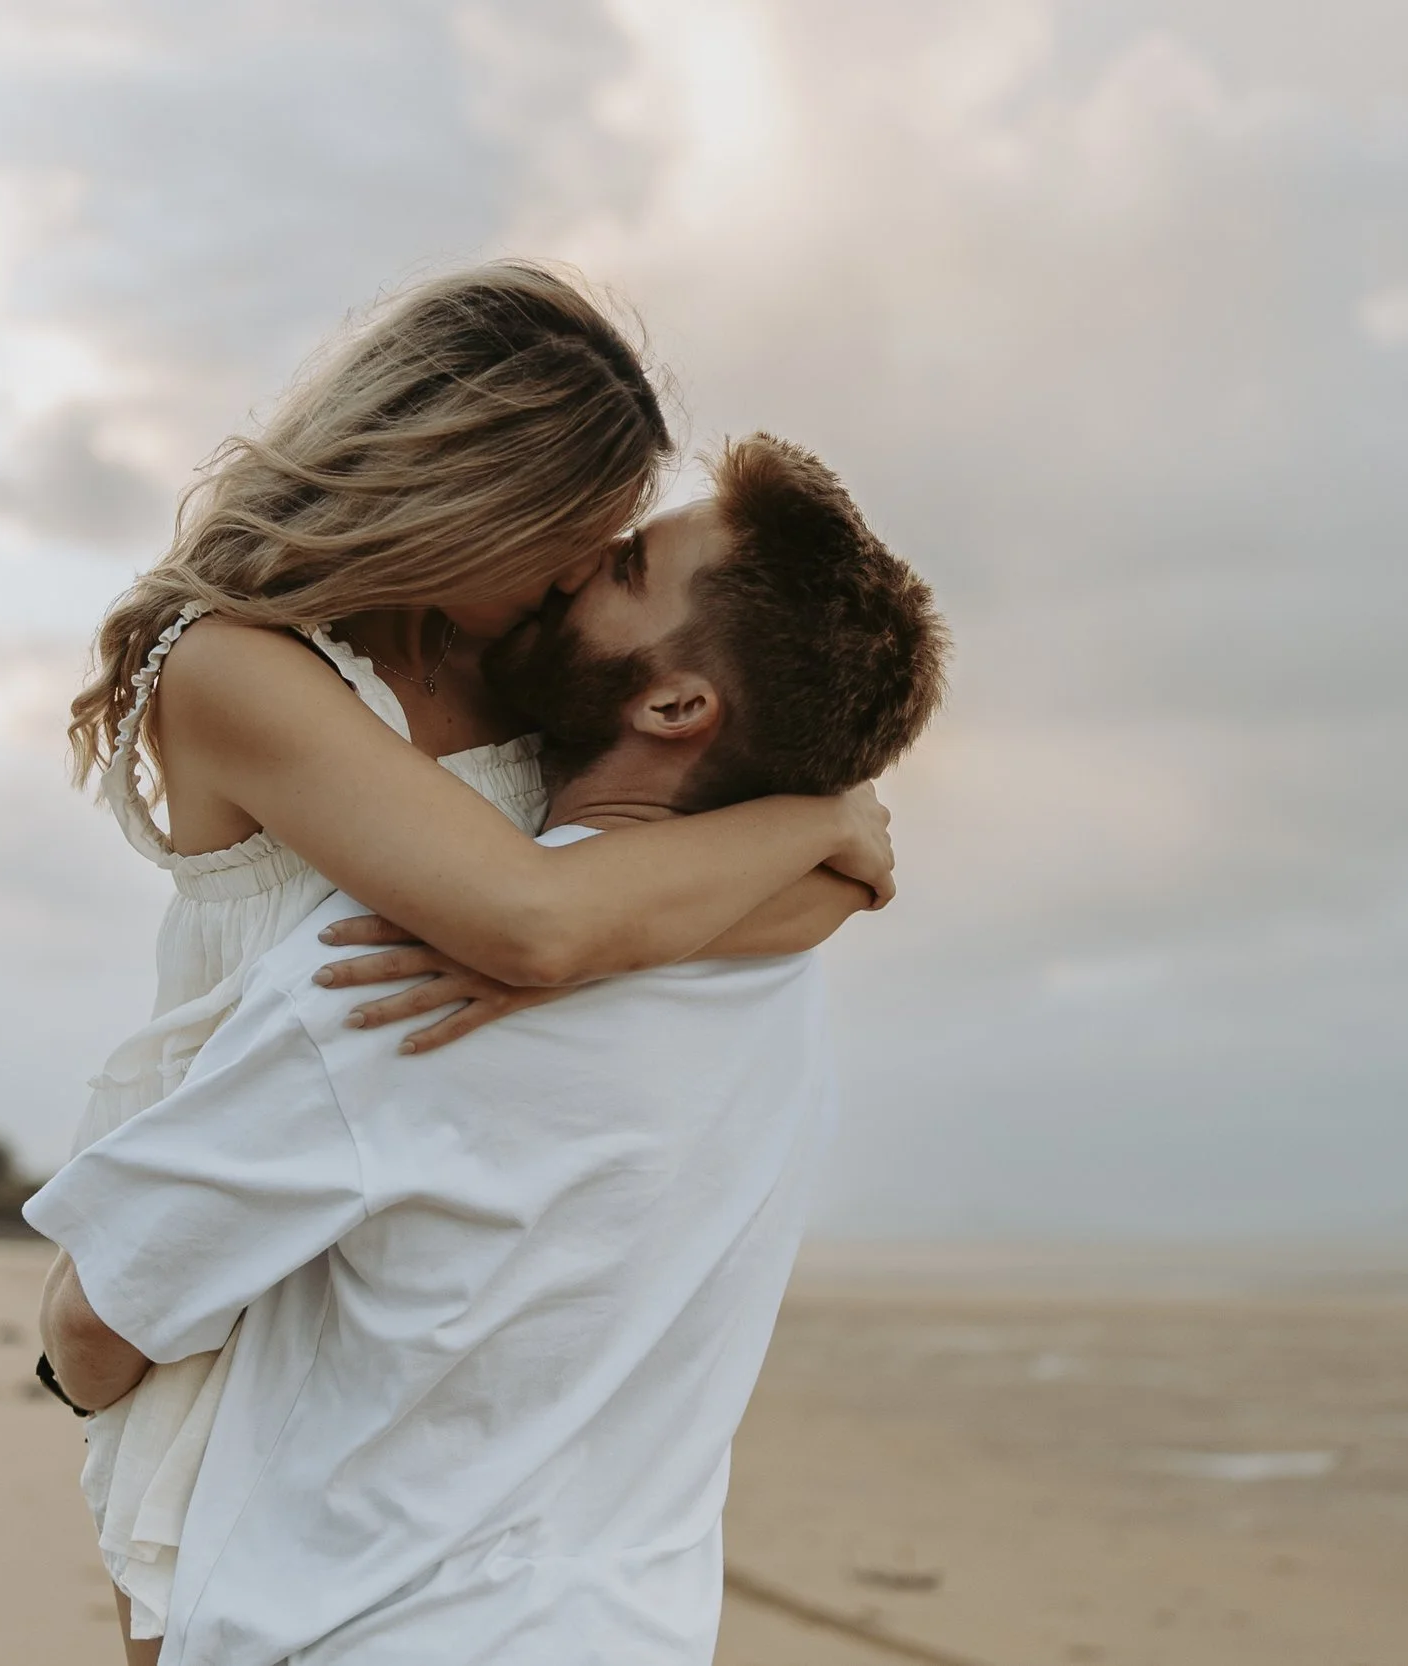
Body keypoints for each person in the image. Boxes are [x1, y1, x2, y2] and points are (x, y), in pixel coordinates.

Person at [56, 264, 896, 1656]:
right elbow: (542, 921)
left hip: (401, 1213)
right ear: (462, 496)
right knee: (203, 1591)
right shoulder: (239, 668)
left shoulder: (515, 668)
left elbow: (703, 908)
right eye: (574, 538)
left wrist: (810, 851)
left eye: (613, 546)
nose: (581, 574)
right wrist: (814, 826)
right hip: (237, 1207)